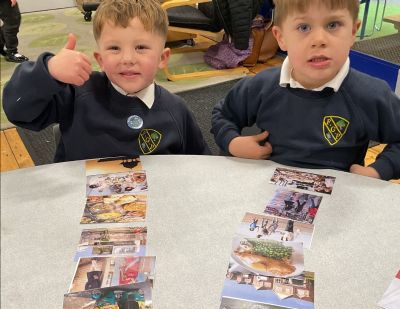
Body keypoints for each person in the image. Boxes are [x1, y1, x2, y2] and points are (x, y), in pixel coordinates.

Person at [211, 0, 400, 181]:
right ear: (281, 38)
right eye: (303, 27)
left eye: (333, 25)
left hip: (339, 197)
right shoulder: (261, 86)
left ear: (352, 32)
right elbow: (223, 115)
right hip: (268, 191)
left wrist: (379, 170)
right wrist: (232, 142)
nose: (319, 40)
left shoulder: (370, 94)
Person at [3, 0, 210, 161]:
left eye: (141, 47)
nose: (127, 59)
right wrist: (48, 71)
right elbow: (18, 110)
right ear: (100, 60)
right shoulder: (77, 93)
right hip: (79, 198)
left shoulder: (176, 110)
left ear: (162, 58)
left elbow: (200, 165)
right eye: (114, 48)